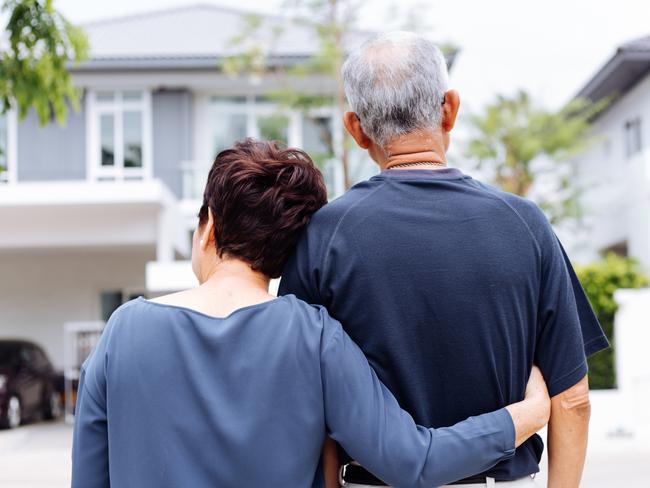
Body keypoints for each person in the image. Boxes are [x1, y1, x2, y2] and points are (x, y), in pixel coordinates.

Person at [71, 139, 550, 488]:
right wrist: (523, 416)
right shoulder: (315, 336)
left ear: (208, 225)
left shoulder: (123, 334)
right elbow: (412, 461)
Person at [279, 32, 610, 488]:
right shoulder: (525, 224)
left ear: (355, 129)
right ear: (449, 108)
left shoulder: (321, 237)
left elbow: (308, 405)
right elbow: (572, 400)